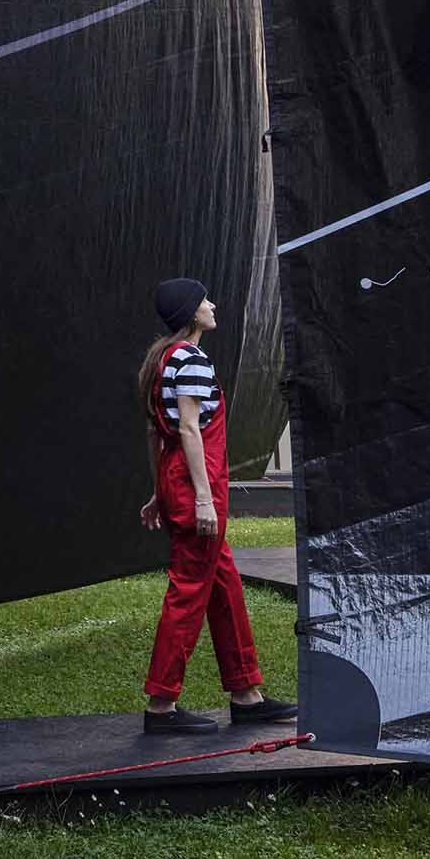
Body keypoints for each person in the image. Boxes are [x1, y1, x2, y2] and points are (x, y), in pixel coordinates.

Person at [137, 275, 296, 736]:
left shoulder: (163, 360)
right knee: (188, 592)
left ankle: (247, 694)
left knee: (225, 589)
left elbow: (156, 433)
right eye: (205, 300)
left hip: (179, 482)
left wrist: (159, 491)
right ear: (191, 313)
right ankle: (161, 704)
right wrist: (203, 499)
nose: (213, 305)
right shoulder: (190, 359)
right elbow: (189, 429)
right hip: (198, 487)